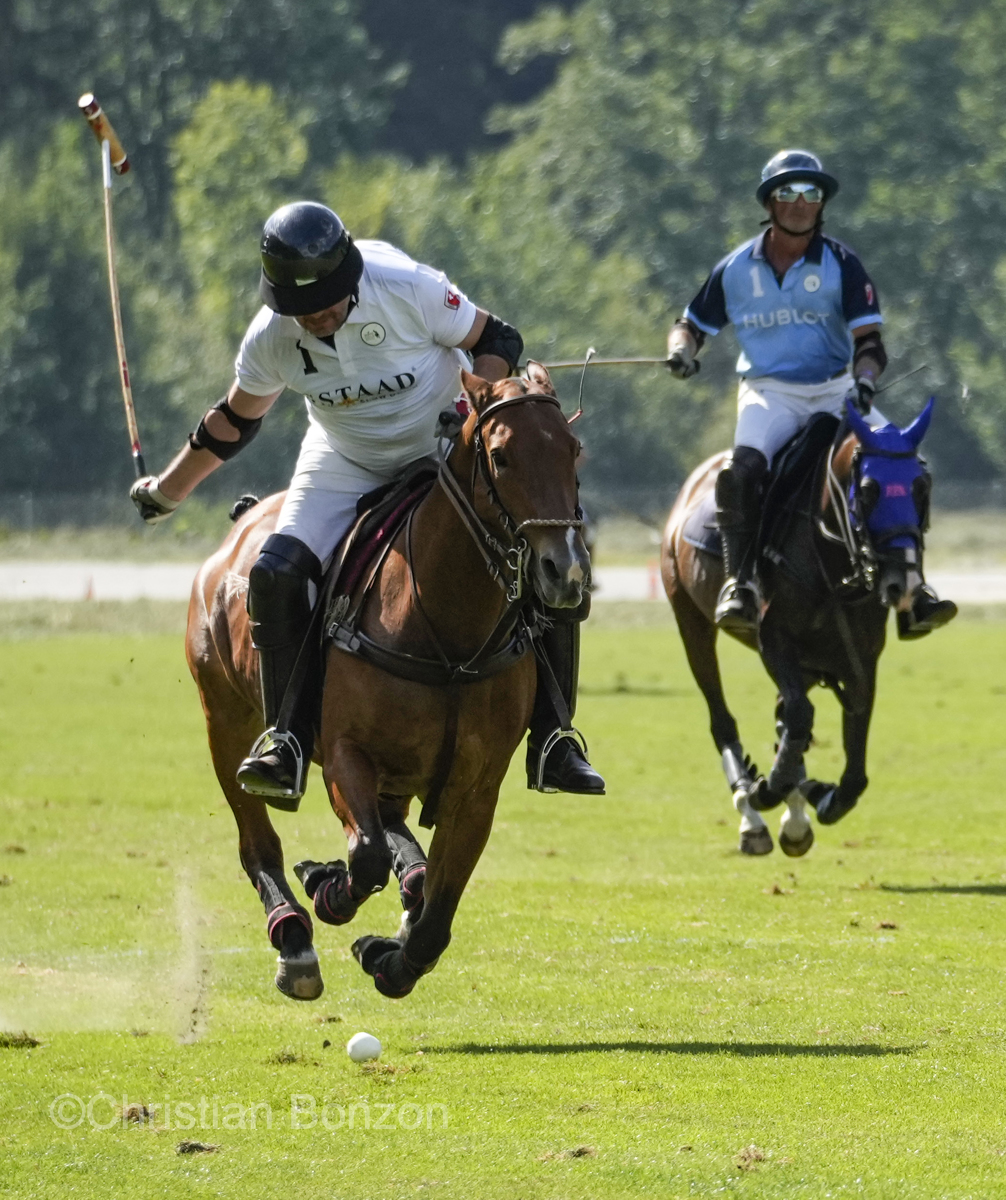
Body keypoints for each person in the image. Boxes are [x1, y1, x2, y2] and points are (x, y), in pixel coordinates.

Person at [130, 201, 604, 805]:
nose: (319, 317)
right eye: (302, 310)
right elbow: (232, 423)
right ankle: (288, 740)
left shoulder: (406, 287)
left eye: (328, 300)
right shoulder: (272, 337)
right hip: (344, 458)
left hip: (443, 453)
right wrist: (168, 490)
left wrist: (466, 413)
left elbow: (499, 339)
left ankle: (554, 738)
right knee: (276, 574)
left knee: (550, 559)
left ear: (351, 276)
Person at [666, 149, 957, 640]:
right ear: (770, 202)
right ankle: (740, 583)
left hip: (835, 390)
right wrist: (681, 351)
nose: (801, 202)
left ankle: (913, 591)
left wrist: (864, 381)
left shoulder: (844, 264)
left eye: (811, 193)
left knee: (905, 464)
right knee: (740, 474)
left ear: (821, 204)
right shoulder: (736, 268)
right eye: (788, 192)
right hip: (769, 393)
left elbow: (869, 344)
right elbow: (691, 325)